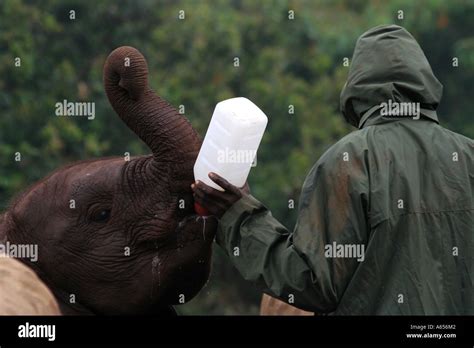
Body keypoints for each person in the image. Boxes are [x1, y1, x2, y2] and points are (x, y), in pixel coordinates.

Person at [191, 24, 473, 315]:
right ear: (425, 83)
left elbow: (311, 282)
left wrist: (236, 215)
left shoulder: (351, 161)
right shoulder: (468, 156)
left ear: (358, 88)